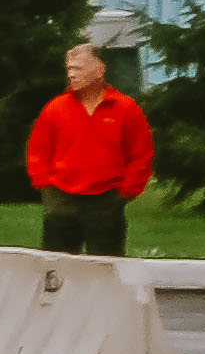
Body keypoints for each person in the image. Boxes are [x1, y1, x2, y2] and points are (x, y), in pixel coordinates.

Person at [26, 38, 156, 259]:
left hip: (107, 201)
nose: (71, 74)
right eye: (69, 69)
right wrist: (45, 184)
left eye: (78, 68)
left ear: (99, 70)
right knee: (57, 266)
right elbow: (38, 151)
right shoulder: (55, 108)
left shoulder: (125, 109)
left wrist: (127, 191)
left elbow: (141, 154)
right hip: (61, 199)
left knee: (107, 265)